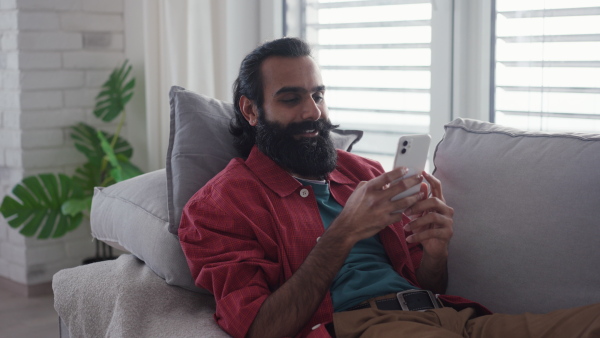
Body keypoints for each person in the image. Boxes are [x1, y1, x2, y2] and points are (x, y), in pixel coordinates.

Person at [178, 37, 600, 338]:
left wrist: (435, 251)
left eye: (318, 94)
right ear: (252, 110)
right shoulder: (219, 207)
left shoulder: (361, 171)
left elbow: (426, 282)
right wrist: (343, 232)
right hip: (367, 327)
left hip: (453, 318)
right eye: (291, 99)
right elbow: (259, 328)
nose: (314, 111)